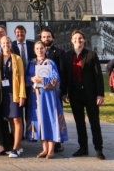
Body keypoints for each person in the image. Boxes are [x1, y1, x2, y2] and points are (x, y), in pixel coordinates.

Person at [60, 30, 105, 160]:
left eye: (80, 38)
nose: (78, 40)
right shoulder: (67, 56)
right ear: (71, 40)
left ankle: (98, 149)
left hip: (90, 94)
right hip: (75, 94)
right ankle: (83, 148)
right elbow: (64, 76)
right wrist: (64, 93)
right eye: (75, 38)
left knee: (94, 122)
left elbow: (98, 76)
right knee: (79, 122)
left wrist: (100, 95)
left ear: (84, 40)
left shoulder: (91, 55)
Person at [26, 41, 68, 158]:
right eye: (37, 48)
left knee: (50, 119)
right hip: (36, 96)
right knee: (40, 120)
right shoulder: (31, 63)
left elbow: (56, 78)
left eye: (41, 48)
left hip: (49, 96)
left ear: (45, 49)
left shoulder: (50, 62)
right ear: (34, 50)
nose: (39, 50)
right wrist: (32, 79)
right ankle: (44, 149)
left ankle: (51, 150)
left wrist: (42, 80)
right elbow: (26, 78)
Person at [0, 36, 26, 158]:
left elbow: (21, 78)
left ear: (11, 44)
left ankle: (15, 148)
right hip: (3, 93)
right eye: (4, 43)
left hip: (14, 92)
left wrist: (22, 95)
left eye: (8, 43)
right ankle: (18, 145)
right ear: (0, 44)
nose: (6, 45)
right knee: (10, 120)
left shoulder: (17, 58)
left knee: (17, 119)